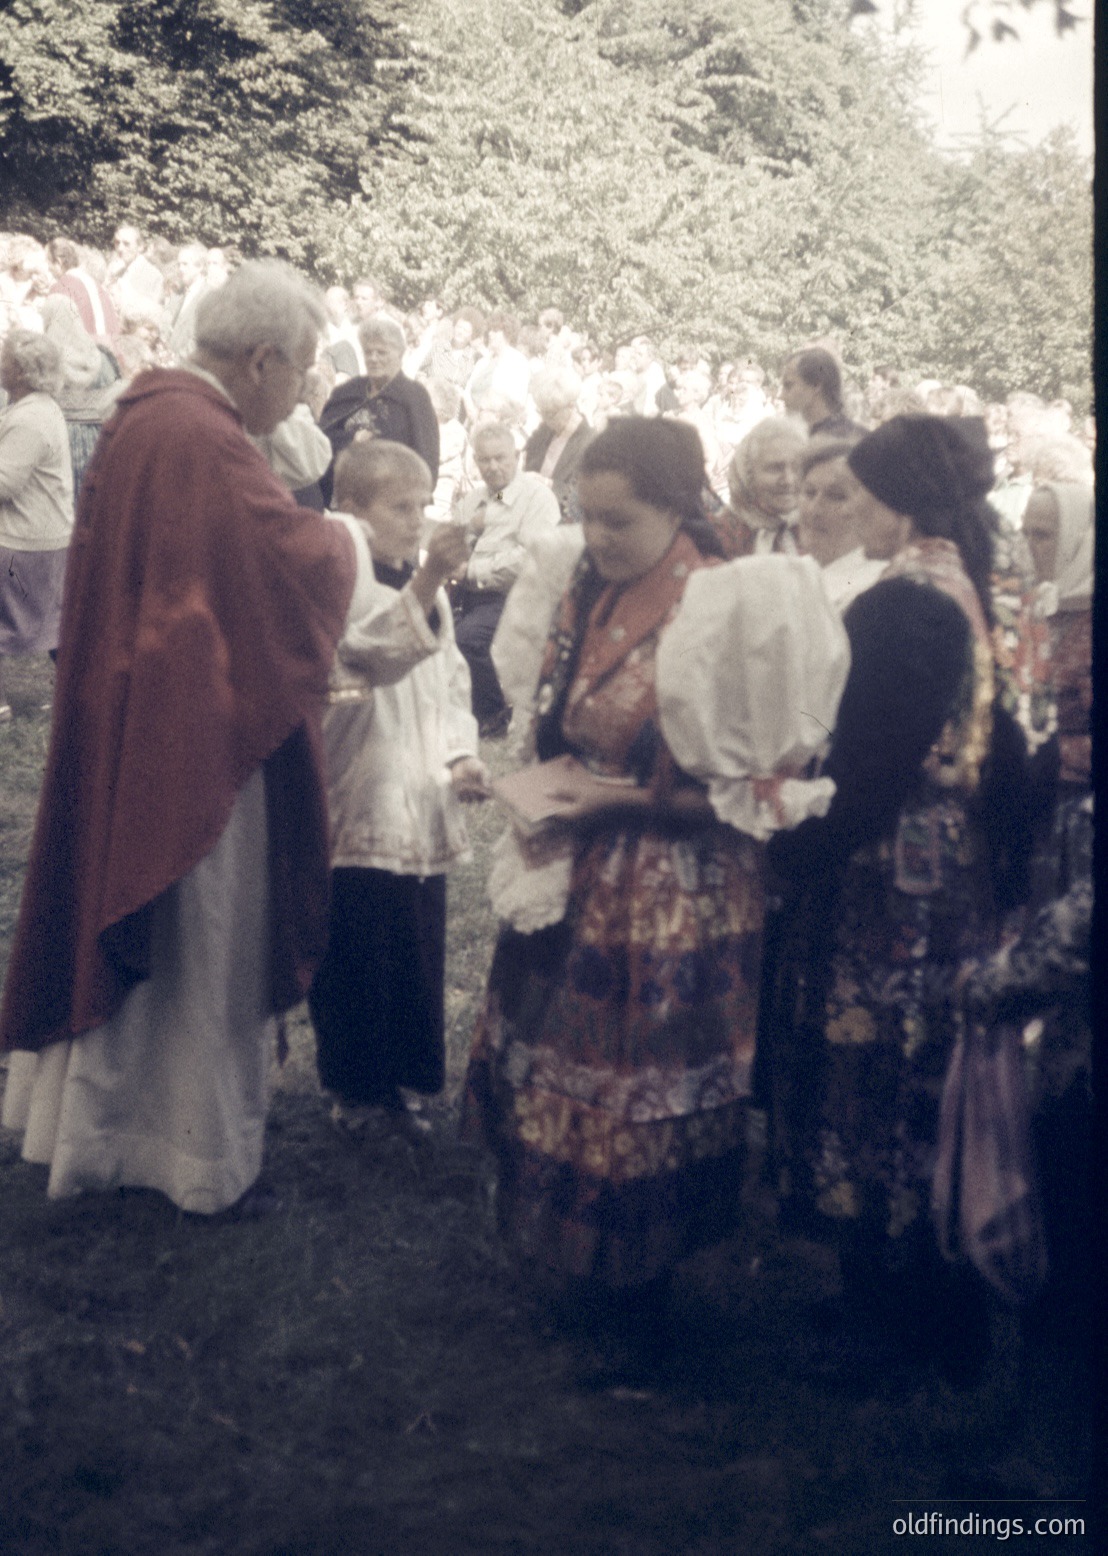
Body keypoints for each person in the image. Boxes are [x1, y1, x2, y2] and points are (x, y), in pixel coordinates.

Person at [462, 417, 848, 1380]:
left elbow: (749, 778)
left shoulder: (726, 600)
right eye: (588, 517)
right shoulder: (592, 581)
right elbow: (561, 700)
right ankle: (577, 1268)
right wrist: (547, 786)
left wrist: (614, 798)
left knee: (636, 1090)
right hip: (585, 856)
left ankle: (638, 1295)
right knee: (559, 1067)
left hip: (672, 886)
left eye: (619, 520)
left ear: (681, 508)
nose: (597, 536)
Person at [0, 261, 358, 1216]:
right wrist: (356, 540)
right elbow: (281, 560)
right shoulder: (201, 436)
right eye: (303, 370)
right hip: (190, 734)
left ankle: (105, 1127)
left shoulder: (148, 412)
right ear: (264, 358)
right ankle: (173, 1148)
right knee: (201, 926)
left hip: (142, 701)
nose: (303, 390)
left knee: (155, 917)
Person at [765, 414, 1009, 1383]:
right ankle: (901, 1297)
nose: (844, 507)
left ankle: (895, 1316)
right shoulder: (956, 577)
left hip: (885, 881)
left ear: (897, 501)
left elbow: (864, 768)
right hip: (934, 865)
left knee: (873, 1077)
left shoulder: (905, 601)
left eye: (857, 493)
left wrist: (795, 853)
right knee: (913, 1075)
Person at [309, 440, 488, 1131]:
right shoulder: (337, 580)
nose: (417, 521)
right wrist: (426, 585)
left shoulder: (424, 591)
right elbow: (365, 654)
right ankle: (356, 1090)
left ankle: (408, 1083)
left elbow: (449, 687)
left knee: (414, 944)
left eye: (423, 505)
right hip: (361, 790)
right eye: (399, 506)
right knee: (358, 948)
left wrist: (461, 755)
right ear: (351, 509)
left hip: (420, 795)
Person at [451, 421, 560, 735]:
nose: (493, 466)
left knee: (467, 640)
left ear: (517, 455)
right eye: (484, 460)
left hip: (516, 596)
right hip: (467, 594)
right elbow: (452, 539)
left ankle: (494, 714)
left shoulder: (537, 498)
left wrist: (471, 570)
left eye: (501, 457)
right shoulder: (474, 500)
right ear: (475, 461)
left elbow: (530, 558)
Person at [0, 331, 75, 722]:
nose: (0, 363)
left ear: (23, 371)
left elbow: (5, 482)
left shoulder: (28, 418)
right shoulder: (40, 408)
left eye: (5, 359)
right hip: (49, 538)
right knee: (57, 621)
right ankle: (78, 692)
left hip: (22, 543)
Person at [318, 316, 439, 503]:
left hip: (388, 504)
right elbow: (321, 439)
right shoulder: (348, 391)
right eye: (368, 352)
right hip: (336, 499)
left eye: (381, 352)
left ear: (399, 354)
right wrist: (353, 440)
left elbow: (426, 463)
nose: (373, 358)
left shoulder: (414, 397)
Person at [794, 438, 885, 611]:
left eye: (836, 496)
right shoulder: (794, 571)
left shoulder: (873, 589)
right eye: (809, 492)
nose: (814, 510)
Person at [713, 416, 806, 558]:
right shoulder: (724, 532)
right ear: (748, 475)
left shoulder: (815, 525)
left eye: (797, 468)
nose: (788, 480)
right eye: (775, 468)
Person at [523, 368, 593, 520]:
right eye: (541, 412)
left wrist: (546, 484)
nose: (544, 419)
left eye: (550, 413)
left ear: (571, 406)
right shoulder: (545, 430)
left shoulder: (590, 445)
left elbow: (581, 499)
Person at [780, 348, 866, 438]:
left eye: (788, 385)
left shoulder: (850, 439)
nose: (781, 396)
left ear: (816, 385)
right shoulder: (795, 436)